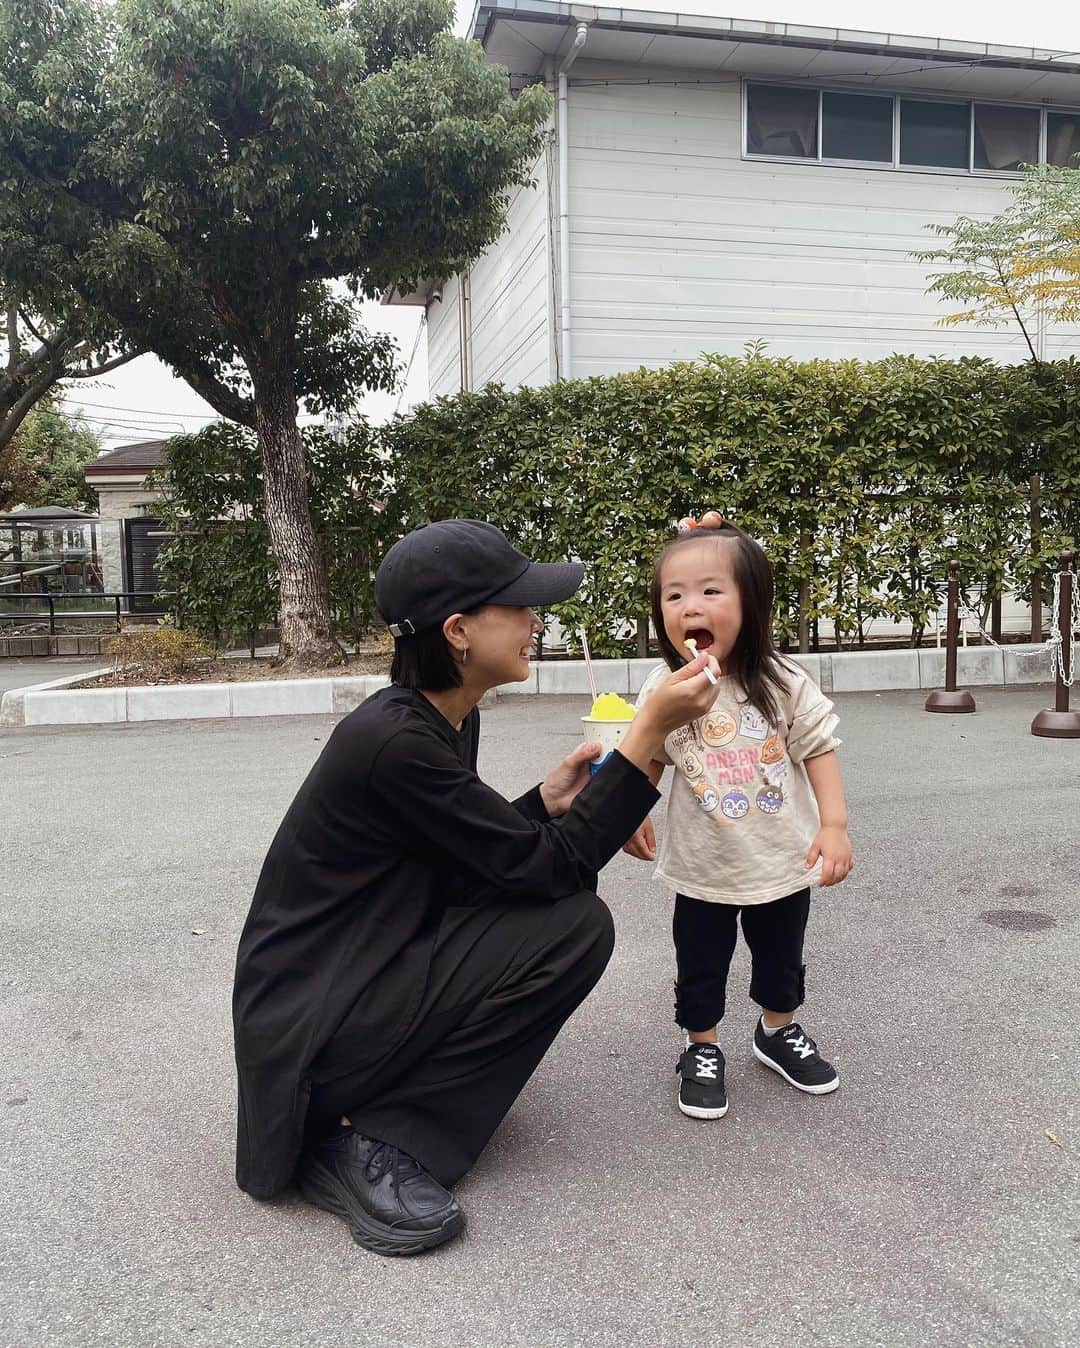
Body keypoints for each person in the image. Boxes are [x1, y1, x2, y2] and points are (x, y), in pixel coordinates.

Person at [232, 519, 721, 1256]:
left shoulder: (438, 718)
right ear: (458, 631)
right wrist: (646, 735)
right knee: (573, 926)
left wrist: (543, 803)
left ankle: (384, 1107)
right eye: (517, 606)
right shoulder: (397, 740)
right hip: (312, 1027)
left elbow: (472, 860)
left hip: (354, 975)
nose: (535, 620)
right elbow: (545, 871)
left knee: (561, 916)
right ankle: (364, 1142)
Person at [625, 512, 854, 1121]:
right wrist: (628, 814)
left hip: (782, 859)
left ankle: (777, 1029)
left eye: (709, 591)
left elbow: (820, 749)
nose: (688, 606)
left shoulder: (781, 681)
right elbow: (648, 756)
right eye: (673, 595)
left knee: (782, 954)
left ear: (752, 604)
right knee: (699, 962)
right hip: (702, 868)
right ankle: (702, 1049)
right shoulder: (664, 687)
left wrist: (834, 825)